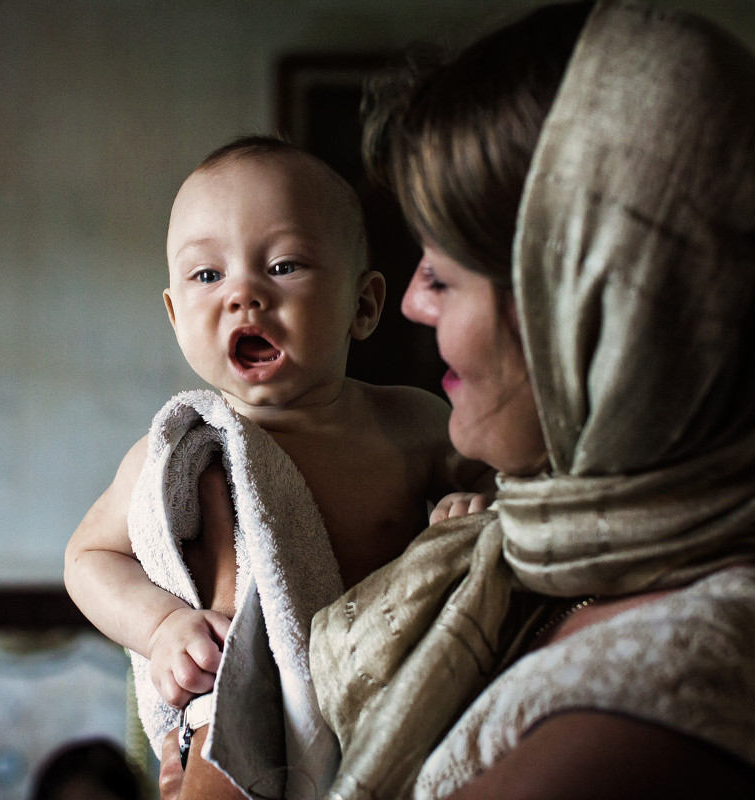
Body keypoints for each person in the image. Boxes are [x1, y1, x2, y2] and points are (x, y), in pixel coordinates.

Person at [303, 1, 755, 798]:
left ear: (595, 314)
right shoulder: (545, 555)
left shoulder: (674, 685)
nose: (411, 302)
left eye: (442, 273)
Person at [64, 136, 492, 798]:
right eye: (208, 276)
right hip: (243, 727)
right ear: (176, 315)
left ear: (364, 304)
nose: (244, 296)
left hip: (385, 722)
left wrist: (461, 515)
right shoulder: (177, 451)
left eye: (285, 265)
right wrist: (161, 625)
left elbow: (499, 490)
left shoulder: (411, 424)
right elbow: (88, 557)